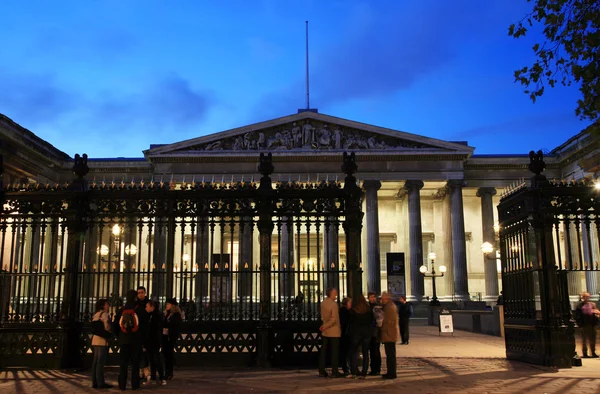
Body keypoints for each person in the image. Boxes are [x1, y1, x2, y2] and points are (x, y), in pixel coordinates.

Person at [113, 289, 143, 391]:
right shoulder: (140, 309)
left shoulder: (121, 310)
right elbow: (145, 326)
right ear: (135, 297)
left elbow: (115, 325)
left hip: (124, 340)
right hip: (136, 340)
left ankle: (122, 384)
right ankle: (135, 385)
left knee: (123, 363)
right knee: (135, 364)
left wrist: (120, 336)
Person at [318, 287, 342, 378]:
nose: (336, 294)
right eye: (335, 293)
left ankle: (321, 370)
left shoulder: (323, 303)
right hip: (333, 330)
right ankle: (334, 371)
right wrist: (326, 326)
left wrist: (324, 326)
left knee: (323, 351)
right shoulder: (334, 305)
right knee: (334, 352)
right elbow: (334, 319)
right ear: (331, 294)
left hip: (325, 331)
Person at [347, 295, 374, 379]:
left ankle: (354, 371)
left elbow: (350, 322)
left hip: (356, 333)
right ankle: (364, 372)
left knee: (353, 352)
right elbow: (372, 321)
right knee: (365, 353)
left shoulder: (354, 311)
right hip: (366, 333)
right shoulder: (369, 310)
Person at [143, 301, 167, 386]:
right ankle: (153, 377)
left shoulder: (157, 315)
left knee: (156, 359)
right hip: (149, 341)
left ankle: (162, 377)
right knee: (151, 360)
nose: (146, 308)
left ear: (152, 307)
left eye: (147, 306)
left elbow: (157, 329)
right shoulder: (148, 315)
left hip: (155, 341)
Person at [91, 299, 113, 389]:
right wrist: (111, 333)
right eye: (107, 304)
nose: (108, 306)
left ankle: (94, 381)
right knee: (100, 362)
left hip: (95, 339)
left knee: (95, 362)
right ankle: (101, 382)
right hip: (102, 340)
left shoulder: (96, 314)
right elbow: (107, 327)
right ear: (103, 306)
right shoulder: (104, 314)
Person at [380, 292, 399, 379]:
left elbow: (388, 321)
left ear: (387, 298)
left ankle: (391, 373)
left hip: (389, 334)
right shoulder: (389, 306)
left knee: (390, 354)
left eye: (383, 298)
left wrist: (381, 327)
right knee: (390, 354)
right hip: (390, 333)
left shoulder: (389, 307)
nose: (381, 300)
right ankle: (390, 372)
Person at [575, 292, 600, 358]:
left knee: (593, 339)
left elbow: (596, 312)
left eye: (588, 296)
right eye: (585, 296)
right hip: (584, 324)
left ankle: (593, 352)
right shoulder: (579, 305)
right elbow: (577, 316)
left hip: (592, 324)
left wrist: (596, 313)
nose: (587, 298)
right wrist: (579, 324)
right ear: (583, 297)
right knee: (584, 339)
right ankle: (585, 353)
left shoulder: (592, 304)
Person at [163, 298, 182, 380]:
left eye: (168, 304)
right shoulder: (167, 313)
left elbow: (175, 325)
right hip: (165, 336)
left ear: (172, 305)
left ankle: (169, 372)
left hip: (171, 336)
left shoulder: (176, 315)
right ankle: (167, 371)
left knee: (169, 354)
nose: (166, 306)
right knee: (166, 354)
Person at [367, 292, 382, 376]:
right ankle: (373, 369)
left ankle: (376, 369)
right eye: (371, 297)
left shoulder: (378, 307)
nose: (372, 298)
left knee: (376, 351)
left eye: (373, 297)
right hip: (370, 332)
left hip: (376, 332)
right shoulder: (367, 307)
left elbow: (379, 320)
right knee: (372, 351)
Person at [339, 297, 352, 375]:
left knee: (345, 352)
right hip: (345, 334)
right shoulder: (345, 312)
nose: (351, 304)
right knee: (345, 352)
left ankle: (346, 367)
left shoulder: (343, 311)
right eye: (349, 303)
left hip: (344, 333)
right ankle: (346, 368)